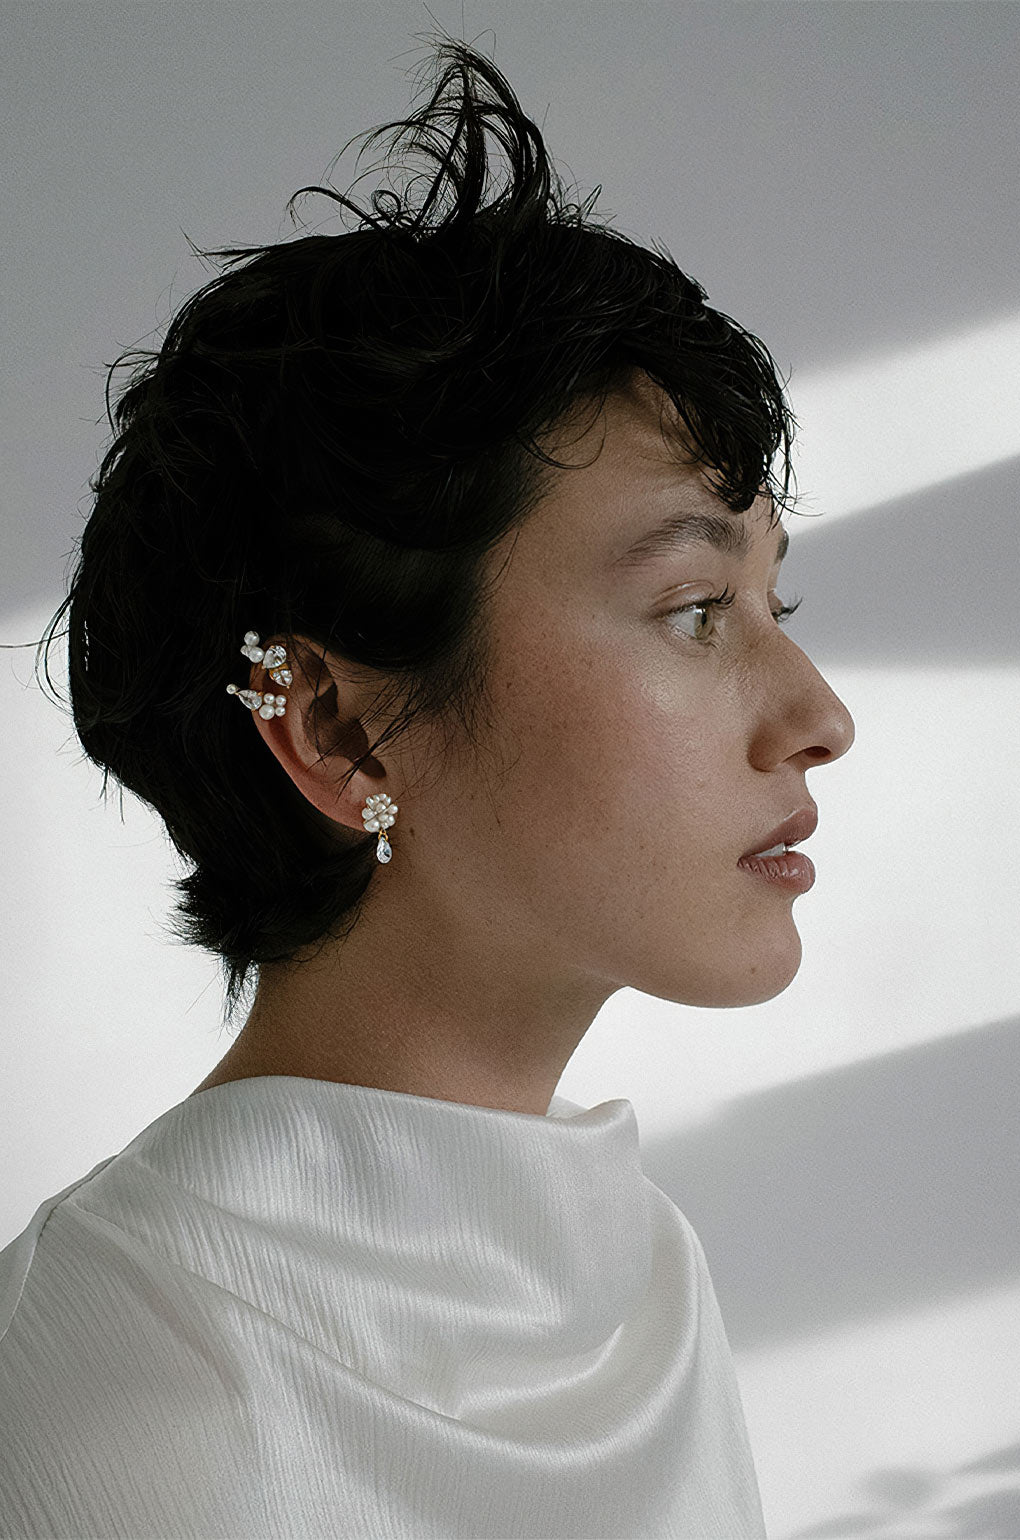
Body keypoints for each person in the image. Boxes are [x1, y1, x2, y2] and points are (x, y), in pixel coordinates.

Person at [0, 32, 855, 1540]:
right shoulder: (130, 1386)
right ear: (339, 731)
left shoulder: (640, 1275)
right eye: (690, 611)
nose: (819, 718)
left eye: (774, 602)